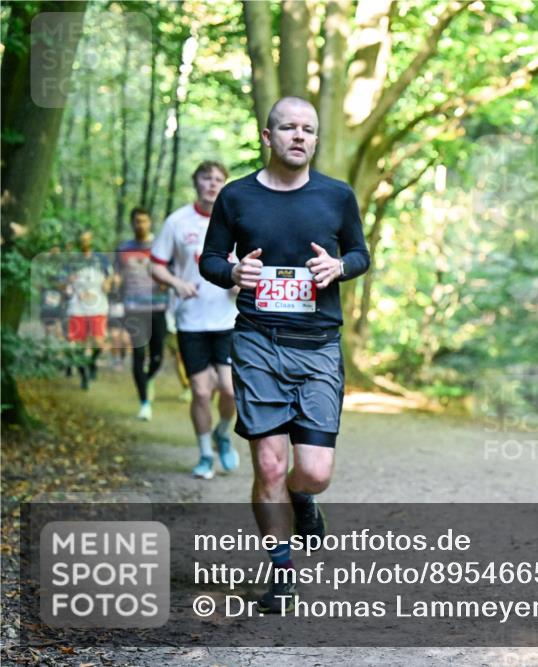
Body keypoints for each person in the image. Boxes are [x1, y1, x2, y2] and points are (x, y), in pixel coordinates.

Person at [199, 96, 370, 613]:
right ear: (267, 136)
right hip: (256, 342)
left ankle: (305, 500)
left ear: (315, 140)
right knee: (270, 466)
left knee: (313, 472)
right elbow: (209, 259)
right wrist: (232, 272)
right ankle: (281, 572)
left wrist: (340, 268)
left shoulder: (337, 197)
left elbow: (361, 253)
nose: (300, 136)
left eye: (309, 129)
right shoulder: (236, 197)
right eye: (289, 128)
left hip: (318, 345)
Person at [151, 161, 240, 478]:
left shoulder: (236, 222)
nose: (213, 184)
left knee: (230, 390)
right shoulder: (177, 222)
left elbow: (249, 267)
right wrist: (177, 283)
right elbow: (156, 265)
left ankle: (223, 433)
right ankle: (205, 454)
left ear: (225, 185)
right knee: (201, 392)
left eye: (219, 179)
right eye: (206, 178)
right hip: (191, 320)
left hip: (227, 320)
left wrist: (239, 284)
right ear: (196, 182)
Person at [116, 207, 170, 419]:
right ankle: (144, 402)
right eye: (137, 221)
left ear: (150, 222)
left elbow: (170, 271)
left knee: (157, 357)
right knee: (138, 355)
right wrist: (114, 283)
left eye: (144, 221)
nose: (141, 225)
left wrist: (166, 282)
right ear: (132, 223)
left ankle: (148, 379)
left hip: (157, 308)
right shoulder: (123, 249)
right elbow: (117, 276)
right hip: (134, 309)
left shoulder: (161, 246)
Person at [65, 230, 113, 390]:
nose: (84, 243)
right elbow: (62, 281)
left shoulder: (101, 258)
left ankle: (91, 362)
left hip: (98, 306)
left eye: (87, 239)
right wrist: (67, 282)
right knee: (78, 344)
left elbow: (111, 276)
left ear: (92, 241)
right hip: (77, 306)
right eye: (82, 240)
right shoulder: (73, 260)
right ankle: (83, 373)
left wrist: (108, 283)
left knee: (99, 342)